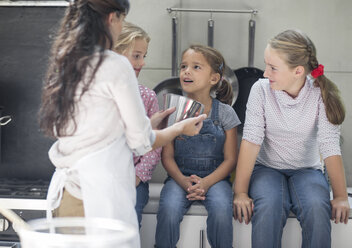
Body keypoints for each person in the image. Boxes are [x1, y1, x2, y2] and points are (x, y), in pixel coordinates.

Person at [39, 0, 206, 246]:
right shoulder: (115, 65)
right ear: (112, 18)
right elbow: (142, 142)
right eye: (122, 20)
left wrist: (149, 123)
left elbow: (99, 130)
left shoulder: (68, 60)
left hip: (64, 196)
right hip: (96, 199)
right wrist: (178, 128)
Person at [233, 29, 350, 248]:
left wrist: (341, 196)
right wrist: (240, 192)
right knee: (269, 205)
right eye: (266, 65)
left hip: (307, 170)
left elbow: (330, 146)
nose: (265, 73)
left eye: (273, 68)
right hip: (267, 168)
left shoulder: (321, 94)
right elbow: (250, 141)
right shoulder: (261, 90)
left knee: (317, 206)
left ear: (298, 71)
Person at [155, 44, 240, 248]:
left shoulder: (226, 113)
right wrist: (184, 182)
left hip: (216, 179)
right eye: (184, 66)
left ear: (214, 78)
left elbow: (230, 159)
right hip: (179, 178)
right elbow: (167, 157)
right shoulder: (172, 110)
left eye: (196, 67)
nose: (186, 71)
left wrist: (207, 183)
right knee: (168, 209)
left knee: (221, 209)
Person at [114, 22, 161, 227]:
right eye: (136, 56)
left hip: (134, 180)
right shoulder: (100, 94)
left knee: (129, 228)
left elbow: (154, 146)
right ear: (115, 54)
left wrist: (137, 177)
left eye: (144, 56)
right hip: (105, 178)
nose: (141, 62)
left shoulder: (148, 97)